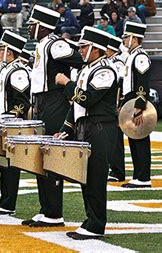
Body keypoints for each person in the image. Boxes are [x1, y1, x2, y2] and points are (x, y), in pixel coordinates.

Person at [56, 26, 118, 240]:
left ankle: (96, 224)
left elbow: (87, 99)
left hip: (100, 129)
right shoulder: (86, 70)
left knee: (96, 178)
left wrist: (67, 83)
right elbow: (76, 109)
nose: (80, 51)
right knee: (86, 177)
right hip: (86, 128)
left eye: (84, 47)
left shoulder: (105, 71)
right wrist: (65, 130)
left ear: (96, 49)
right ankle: (90, 220)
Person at [24, 5, 83, 227]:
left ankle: (55, 212)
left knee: (52, 155)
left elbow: (79, 59)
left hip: (54, 103)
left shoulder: (55, 44)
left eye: (32, 25)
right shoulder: (42, 45)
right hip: (42, 104)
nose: (30, 28)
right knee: (41, 157)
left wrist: (67, 82)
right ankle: (46, 208)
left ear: (41, 26)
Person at [0, 30, 30, 215]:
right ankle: (4, 201)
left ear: (10, 52)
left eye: (2, 49)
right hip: (4, 122)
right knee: (3, 163)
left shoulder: (17, 71)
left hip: (12, 125)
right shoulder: (6, 69)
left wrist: (8, 117)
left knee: (10, 165)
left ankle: (8, 203)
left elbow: (22, 102)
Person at [120, 22, 152, 189]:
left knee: (140, 139)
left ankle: (144, 176)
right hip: (130, 101)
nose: (124, 39)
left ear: (134, 38)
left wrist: (140, 105)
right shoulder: (131, 56)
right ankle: (138, 175)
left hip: (137, 101)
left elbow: (142, 82)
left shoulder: (140, 56)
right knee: (133, 138)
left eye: (126, 37)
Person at [106, 34, 127, 183]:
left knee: (116, 140)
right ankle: (113, 168)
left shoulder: (117, 63)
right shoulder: (110, 61)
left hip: (116, 106)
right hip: (112, 106)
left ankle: (118, 171)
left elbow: (120, 85)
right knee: (111, 139)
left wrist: (119, 105)